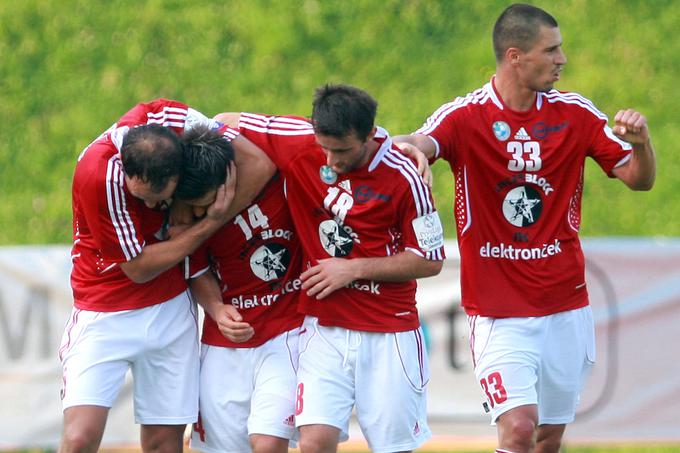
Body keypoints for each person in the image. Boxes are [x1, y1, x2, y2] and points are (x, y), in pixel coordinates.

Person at [393, 4, 656, 453]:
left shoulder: (575, 114)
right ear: (515, 56)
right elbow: (426, 140)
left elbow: (638, 179)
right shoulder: (467, 115)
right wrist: (410, 148)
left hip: (565, 307)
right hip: (498, 314)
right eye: (550, 50)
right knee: (518, 428)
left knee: (548, 436)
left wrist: (642, 144)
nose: (562, 59)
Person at [218, 83, 446, 453]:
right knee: (314, 442)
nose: (330, 161)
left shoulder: (406, 176)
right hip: (324, 330)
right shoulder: (298, 139)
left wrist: (352, 269)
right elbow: (223, 122)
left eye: (341, 151)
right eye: (324, 147)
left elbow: (430, 260)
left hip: (388, 332)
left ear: (371, 135)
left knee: (393, 448)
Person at [59, 99, 275, 453]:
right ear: (126, 172)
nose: (149, 208)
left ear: (180, 171)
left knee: (165, 442)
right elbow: (140, 268)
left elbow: (258, 163)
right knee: (80, 436)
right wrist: (209, 221)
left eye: (160, 198)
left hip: (171, 308)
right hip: (104, 309)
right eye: (139, 197)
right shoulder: (98, 173)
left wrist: (203, 217)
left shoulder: (174, 118)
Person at [173, 126, 304, 453]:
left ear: (227, 181)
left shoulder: (283, 184)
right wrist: (216, 310)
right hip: (224, 343)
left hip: (288, 334)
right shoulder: (188, 216)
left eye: (205, 204)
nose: (201, 214)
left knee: (269, 442)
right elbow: (198, 270)